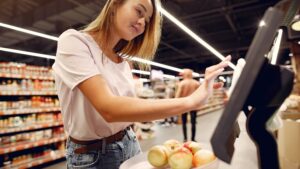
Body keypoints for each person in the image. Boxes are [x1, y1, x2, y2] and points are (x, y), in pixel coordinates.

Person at [52, 0, 231, 168]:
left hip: (130, 143)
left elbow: (131, 108)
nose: (142, 23)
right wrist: (190, 101)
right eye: (139, 11)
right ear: (115, 4)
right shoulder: (74, 41)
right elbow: (109, 109)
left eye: (146, 20)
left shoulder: (122, 62)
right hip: (92, 155)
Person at [175, 69, 200, 142]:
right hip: (193, 105)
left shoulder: (182, 83)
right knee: (193, 123)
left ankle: (185, 139)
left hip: (184, 105)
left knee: (184, 123)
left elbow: (177, 96)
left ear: (185, 74)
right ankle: (193, 139)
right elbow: (199, 95)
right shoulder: (196, 83)